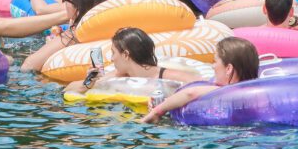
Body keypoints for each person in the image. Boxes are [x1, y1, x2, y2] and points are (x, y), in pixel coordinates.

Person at [142, 37, 260, 123]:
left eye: (215, 61)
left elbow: (190, 93)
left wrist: (157, 111)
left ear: (228, 68)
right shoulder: (257, 93)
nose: (212, 66)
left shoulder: (223, 92)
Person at [64, 27, 201, 94]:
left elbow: (202, 85)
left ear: (125, 55)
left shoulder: (166, 76)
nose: (111, 59)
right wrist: (89, 81)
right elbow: (67, 90)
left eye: (113, 53)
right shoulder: (119, 75)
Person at [21, 0, 108, 72]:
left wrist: (54, 45)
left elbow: (28, 66)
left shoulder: (71, 36)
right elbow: (98, 67)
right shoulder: (103, 31)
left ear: (77, 9)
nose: (64, 3)